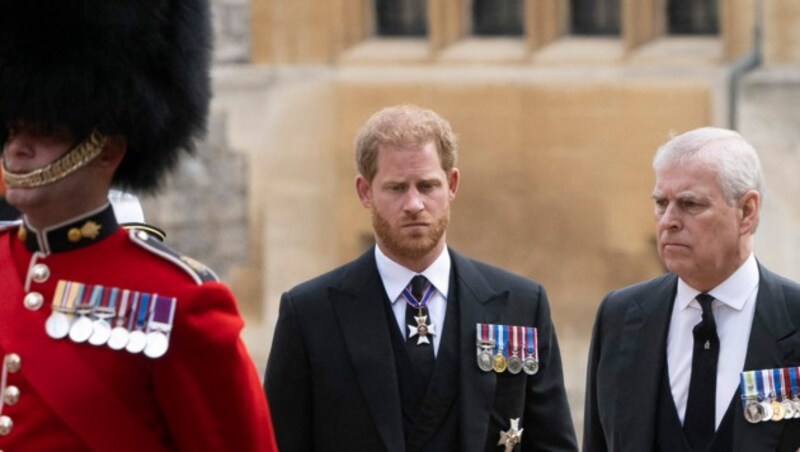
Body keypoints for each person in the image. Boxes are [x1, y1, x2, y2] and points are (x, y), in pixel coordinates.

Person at [0, 1, 277, 451]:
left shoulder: (178, 299)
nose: (18, 150)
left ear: (106, 150)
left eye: (44, 130)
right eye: (12, 129)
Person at [264, 105, 577, 451]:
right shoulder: (310, 315)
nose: (414, 204)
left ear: (452, 184)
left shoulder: (520, 304)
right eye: (397, 188)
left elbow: (552, 444)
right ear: (365, 191)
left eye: (427, 186)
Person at [583, 127, 800, 451]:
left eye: (690, 204)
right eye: (661, 203)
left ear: (747, 211)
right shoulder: (621, 315)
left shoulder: (793, 317)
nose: (668, 220)